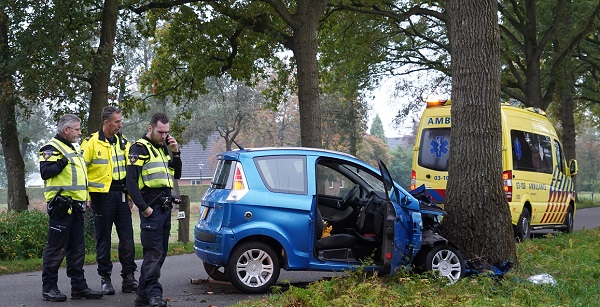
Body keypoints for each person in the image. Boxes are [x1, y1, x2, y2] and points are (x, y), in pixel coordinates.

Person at [38, 114, 103, 302]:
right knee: (56, 248)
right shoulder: (52, 147)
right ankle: (49, 288)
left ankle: (79, 288)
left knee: (77, 249)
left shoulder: (73, 148)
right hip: (61, 207)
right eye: (77, 129)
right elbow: (45, 172)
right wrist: (61, 162)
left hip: (76, 207)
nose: (79, 133)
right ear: (66, 130)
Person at [126, 112, 182, 307]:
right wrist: (144, 208)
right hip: (151, 208)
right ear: (150, 128)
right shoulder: (139, 149)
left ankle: (142, 294)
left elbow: (177, 173)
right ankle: (154, 294)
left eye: (167, 132)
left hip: (164, 207)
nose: (164, 136)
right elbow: (131, 182)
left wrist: (175, 152)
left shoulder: (162, 148)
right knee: (154, 252)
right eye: (160, 132)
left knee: (161, 251)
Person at [80, 106, 138, 295]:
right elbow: (81, 172)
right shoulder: (90, 143)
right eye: (117, 122)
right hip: (101, 197)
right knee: (103, 240)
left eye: (120, 121)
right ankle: (105, 279)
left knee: (127, 239)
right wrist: (87, 197)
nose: (120, 125)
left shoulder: (124, 142)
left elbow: (130, 172)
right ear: (106, 122)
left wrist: (130, 196)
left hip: (121, 196)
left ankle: (129, 278)